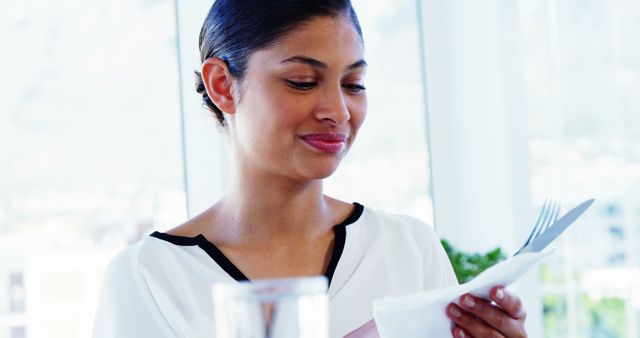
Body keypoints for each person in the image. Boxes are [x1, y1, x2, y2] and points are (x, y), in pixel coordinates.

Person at [92, 0, 528, 337]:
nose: (338, 111)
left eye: (353, 84)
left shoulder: (408, 249)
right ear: (223, 85)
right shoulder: (150, 278)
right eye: (303, 81)